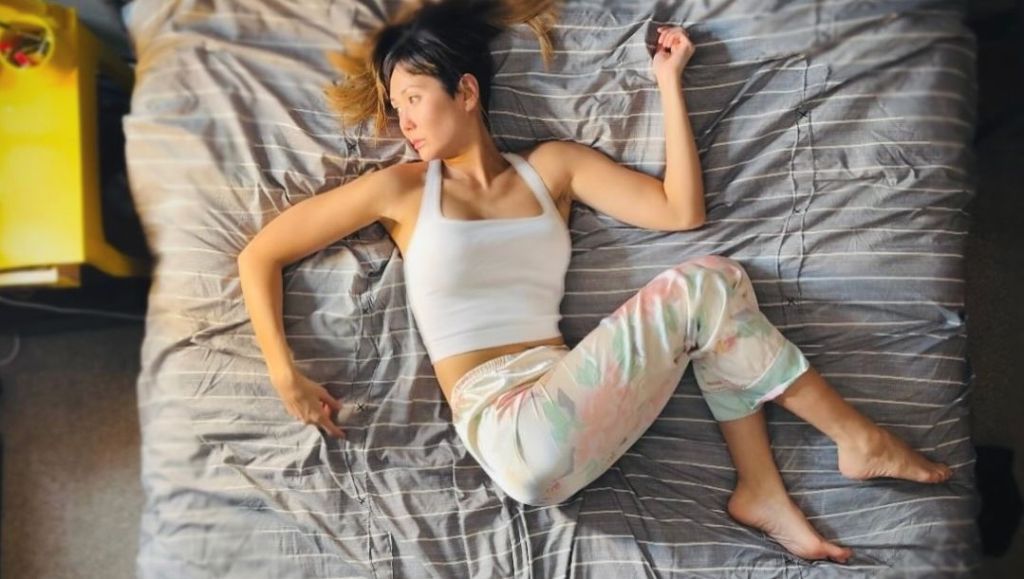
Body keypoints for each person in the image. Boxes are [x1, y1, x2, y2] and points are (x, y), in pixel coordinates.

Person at [237, 0, 954, 564]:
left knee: (715, 306)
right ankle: (855, 437)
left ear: (466, 90)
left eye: (413, 98)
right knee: (707, 287)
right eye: (395, 106)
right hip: (511, 432)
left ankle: (761, 488)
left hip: (570, 405)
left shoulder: (552, 169)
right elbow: (260, 255)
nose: (403, 121)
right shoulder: (400, 189)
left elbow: (680, 210)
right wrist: (282, 372)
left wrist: (668, 83)